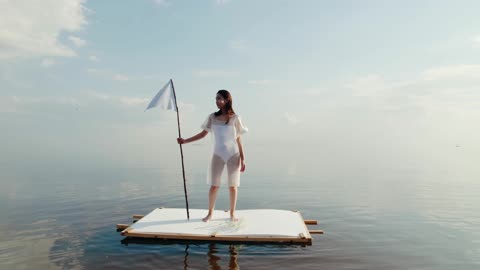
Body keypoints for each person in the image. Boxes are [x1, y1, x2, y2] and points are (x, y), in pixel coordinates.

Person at [177, 90, 247, 222]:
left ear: (227, 100)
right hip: (218, 154)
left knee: (233, 186)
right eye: (215, 99)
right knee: (214, 185)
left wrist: (243, 159)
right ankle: (210, 213)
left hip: (234, 154)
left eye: (219, 98)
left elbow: (238, 139)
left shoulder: (235, 118)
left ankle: (232, 214)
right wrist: (185, 141)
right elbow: (202, 134)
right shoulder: (212, 117)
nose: (217, 101)